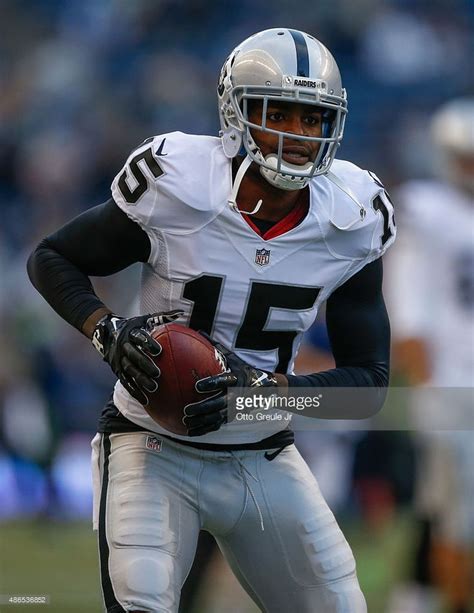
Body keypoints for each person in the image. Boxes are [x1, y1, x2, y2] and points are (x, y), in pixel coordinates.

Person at [27, 28, 395, 613]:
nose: (298, 136)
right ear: (237, 111)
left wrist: (273, 395)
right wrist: (107, 330)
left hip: (263, 453)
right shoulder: (178, 182)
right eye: (282, 113)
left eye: (313, 119)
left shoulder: (353, 217)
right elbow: (53, 258)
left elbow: (366, 388)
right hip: (151, 446)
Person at [385, 98, 474, 613]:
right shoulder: (426, 208)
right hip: (449, 383)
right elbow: (409, 305)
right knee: (452, 511)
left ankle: (415, 597)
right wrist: (425, 381)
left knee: (440, 506)